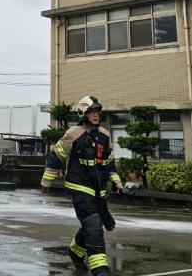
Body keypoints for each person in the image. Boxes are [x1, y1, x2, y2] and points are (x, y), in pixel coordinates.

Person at [41, 96, 121, 275]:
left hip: (99, 191)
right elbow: (57, 157)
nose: (95, 115)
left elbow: (109, 162)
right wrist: (47, 181)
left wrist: (116, 180)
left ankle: (75, 252)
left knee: (94, 222)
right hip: (80, 188)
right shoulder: (73, 134)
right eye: (92, 112)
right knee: (93, 225)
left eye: (97, 112)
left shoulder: (105, 135)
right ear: (84, 114)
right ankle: (100, 269)